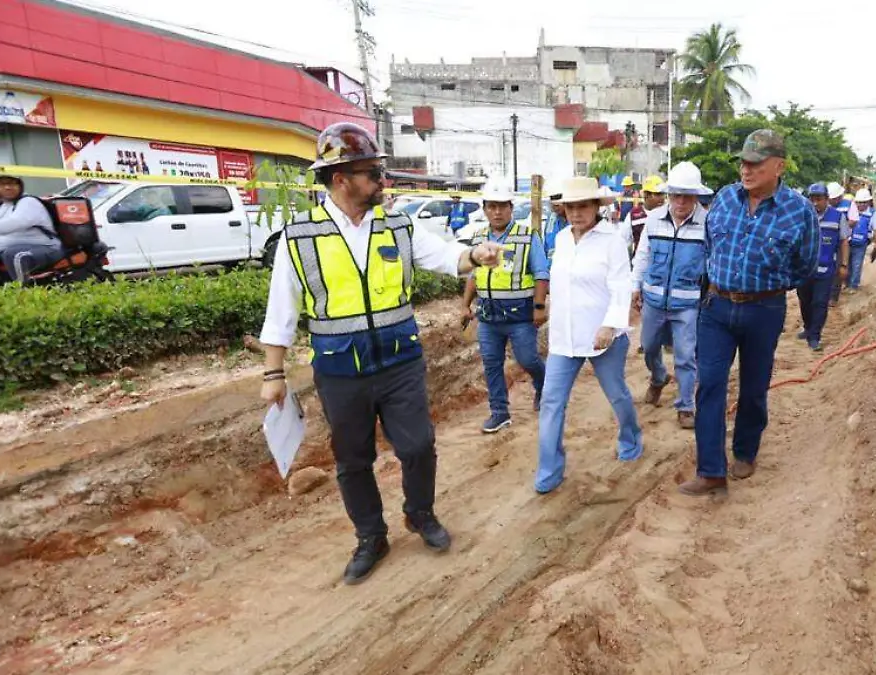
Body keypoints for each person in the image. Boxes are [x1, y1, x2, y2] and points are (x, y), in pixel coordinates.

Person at [258, 123, 503, 585]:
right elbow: (281, 313)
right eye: (372, 173)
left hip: (399, 363)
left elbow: (446, 256)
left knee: (419, 445)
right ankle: (371, 537)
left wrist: (476, 255)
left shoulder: (398, 225)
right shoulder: (300, 238)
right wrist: (273, 374)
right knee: (353, 460)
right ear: (341, 179)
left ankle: (420, 513)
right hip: (339, 371)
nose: (382, 181)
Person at [678, 130, 819, 496]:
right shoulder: (724, 198)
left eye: (756, 163)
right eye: (743, 162)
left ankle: (745, 451)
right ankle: (711, 470)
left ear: (779, 167)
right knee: (710, 385)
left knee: (754, 387)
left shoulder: (799, 211)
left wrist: (770, 286)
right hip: (717, 307)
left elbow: (805, 265)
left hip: (765, 309)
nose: (746, 169)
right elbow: (710, 246)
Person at [535, 177, 642, 494]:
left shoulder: (612, 241)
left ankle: (631, 438)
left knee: (616, 393)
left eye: (583, 206)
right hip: (564, 337)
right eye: (571, 207)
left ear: (596, 207)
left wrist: (610, 325)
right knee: (551, 401)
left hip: (602, 336)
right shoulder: (562, 239)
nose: (576, 213)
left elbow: (621, 286)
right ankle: (550, 469)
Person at [461, 177, 549, 433]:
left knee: (527, 359)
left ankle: (543, 386)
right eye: (492, 206)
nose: (497, 212)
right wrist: (465, 305)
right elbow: (473, 276)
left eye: (502, 206)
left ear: (511, 208)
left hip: (520, 315)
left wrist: (539, 307)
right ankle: (499, 412)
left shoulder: (527, 236)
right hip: (488, 315)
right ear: (485, 209)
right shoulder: (478, 238)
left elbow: (541, 273)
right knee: (491, 363)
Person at [630, 162, 711, 430]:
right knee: (649, 347)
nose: (680, 201)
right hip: (653, 301)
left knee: (685, 356)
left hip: (688, 305)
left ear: (696, 196)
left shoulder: (707, 224)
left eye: (687, 196)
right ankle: (658, 377)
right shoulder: (654, 220)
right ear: (668, 195)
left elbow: (712, 264)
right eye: (676, 195)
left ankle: (686, 405)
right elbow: (642, 255)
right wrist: (635, 286)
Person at [0, 174, 64, 283]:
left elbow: (16, 222)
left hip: (44, 247)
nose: (7, 187)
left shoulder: (28, 201)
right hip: (4, 248)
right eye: (1, 184)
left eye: (11, 183)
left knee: (15, 255)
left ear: (20, 186)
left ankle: (24, 288)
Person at [796, 183, 849, 352]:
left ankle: (815, 336)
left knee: (819, 303)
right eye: (812, 199)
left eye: (818, 199)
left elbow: (844, 241)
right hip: (804, 270)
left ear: (827, 199)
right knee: (805, 301)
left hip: (825, 270)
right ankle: (808, 327)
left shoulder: (838, 217)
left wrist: (844, 264)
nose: (815, 203)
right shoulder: (802, 216)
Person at [845, 188, 876, 291]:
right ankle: (846, 284)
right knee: (846, 263)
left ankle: (853, 285)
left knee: (856, 264)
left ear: (868, 202)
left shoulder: (872, 213)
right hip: (848, 242)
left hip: (861, 244)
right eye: (859, 202)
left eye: (864, 202)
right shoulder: (850, 210)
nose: (861, 204)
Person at [621, 175, 667, 254]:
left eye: (663, 194)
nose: (662, 198)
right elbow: (623, 242)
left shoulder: (669, 215)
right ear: (646, 195)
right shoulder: (633, 216)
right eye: (658, 194)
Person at [826, 182, 847, 306]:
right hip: (826, 245)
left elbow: (844, 239)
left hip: (839, 243)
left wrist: (844, 264)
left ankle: (833, 297)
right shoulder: (818, 210)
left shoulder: (847, 206)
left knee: (837, 271)